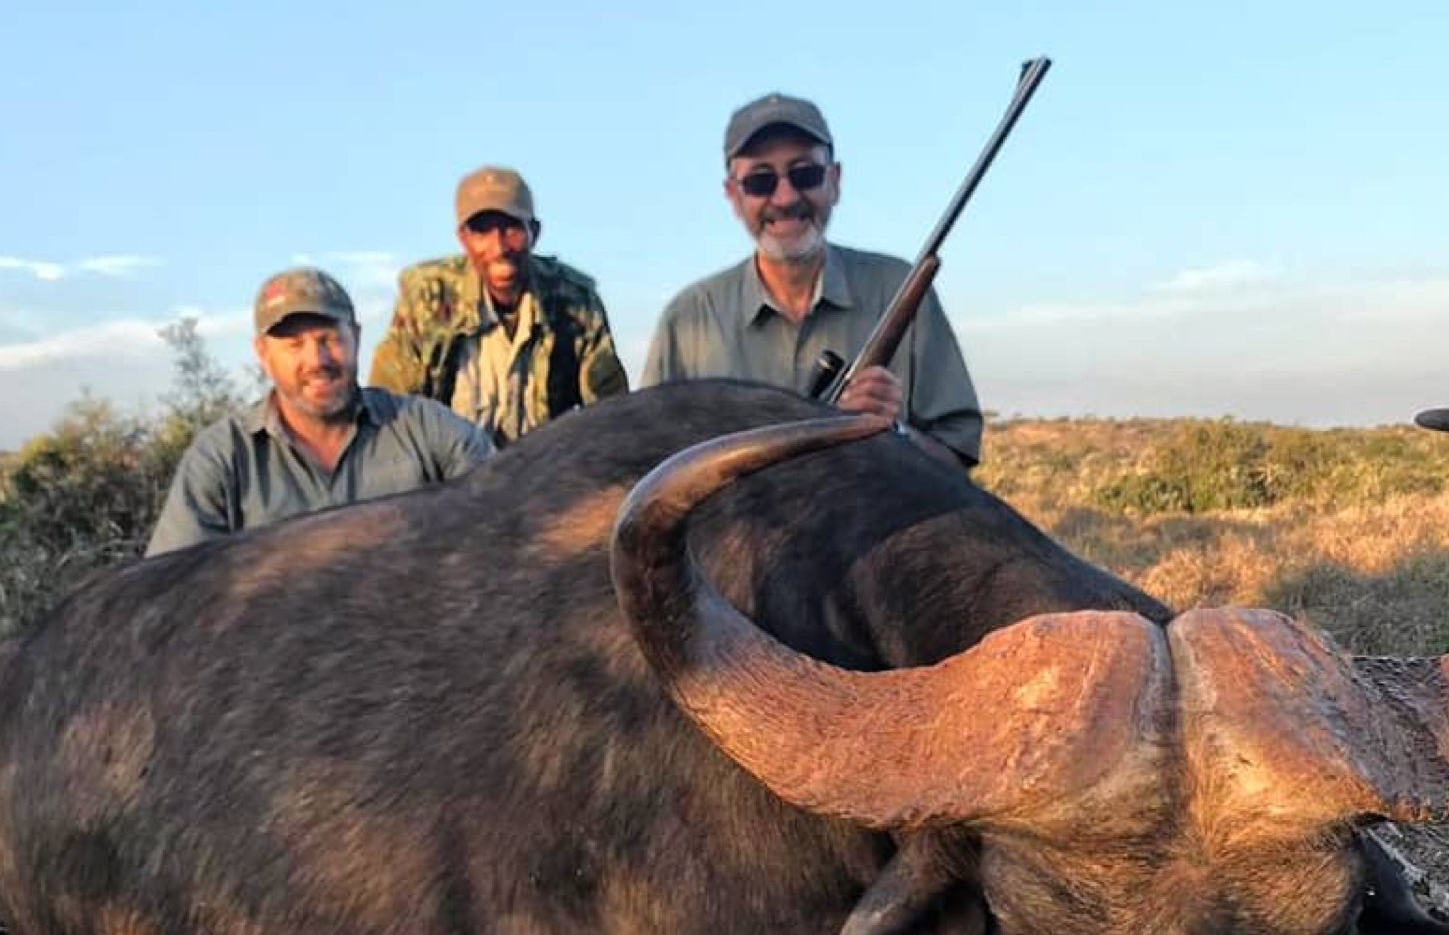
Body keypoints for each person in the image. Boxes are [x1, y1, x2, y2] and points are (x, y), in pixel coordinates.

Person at [642, 93, 983, 471]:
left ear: (834, 180)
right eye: (760, 181)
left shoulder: (898, 287)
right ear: (733, 196)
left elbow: (957, 451)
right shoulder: (688, 318)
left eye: (805, 174)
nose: (785, 197)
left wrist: (891, 433)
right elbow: (646, 469)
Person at [147, 268, 492, 557]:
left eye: (329, 338)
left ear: (356, 337)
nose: (317, 361)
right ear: (263, 354)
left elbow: (505, 513)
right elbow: (167, 592)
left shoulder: (427, 428)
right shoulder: (222, 458)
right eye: (294, 345)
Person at [370, 166, 628, 443]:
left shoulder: (576, 303)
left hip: (545, 474)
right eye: (482, 230)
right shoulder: (426, 299)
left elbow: (612, 414)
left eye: (511, 228)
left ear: (534, 232)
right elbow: (387, 414)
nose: (499, 247)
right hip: (451, 477)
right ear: (463, 238)